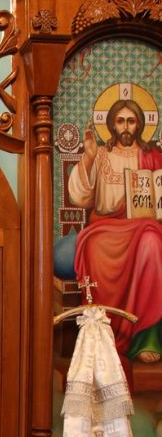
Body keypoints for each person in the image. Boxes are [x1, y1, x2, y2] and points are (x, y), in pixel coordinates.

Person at [68, 98, 162, 367]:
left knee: (153, 243)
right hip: (106, 227)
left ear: (140, 124)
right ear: (111, 124)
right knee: (95, 248)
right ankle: (104, 334)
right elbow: (80, 197)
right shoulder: (101, 155)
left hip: (145, 226)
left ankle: (147, 338)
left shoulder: (153, 156)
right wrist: (88, 156)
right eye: (120, 121)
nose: (126, 127)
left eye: (131, 121)